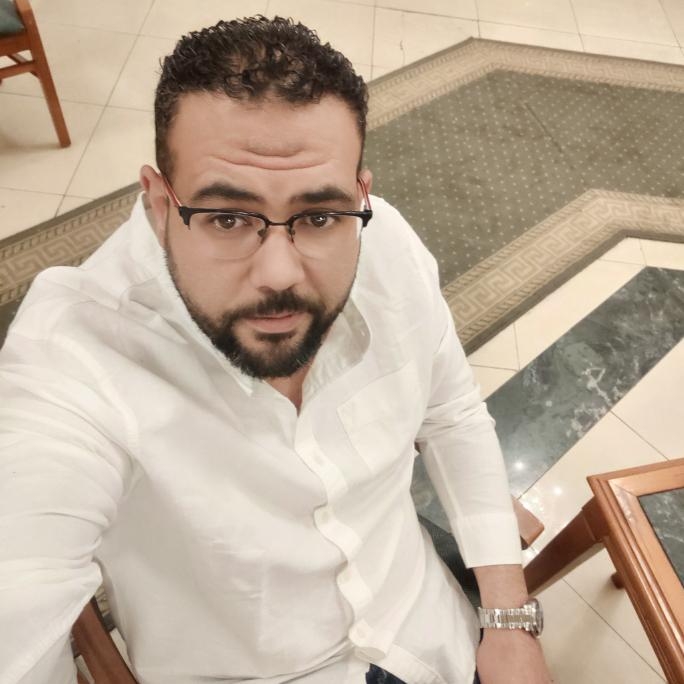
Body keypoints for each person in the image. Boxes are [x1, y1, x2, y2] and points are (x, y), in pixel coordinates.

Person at [0, 15, 551, 684]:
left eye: (319, 216)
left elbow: (452, 415)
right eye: (227, 218)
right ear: (158, 203)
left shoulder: (390, 247)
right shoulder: (76, 353)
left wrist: (508, 618)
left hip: (429, 632)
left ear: (360, 193)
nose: (280, 274)